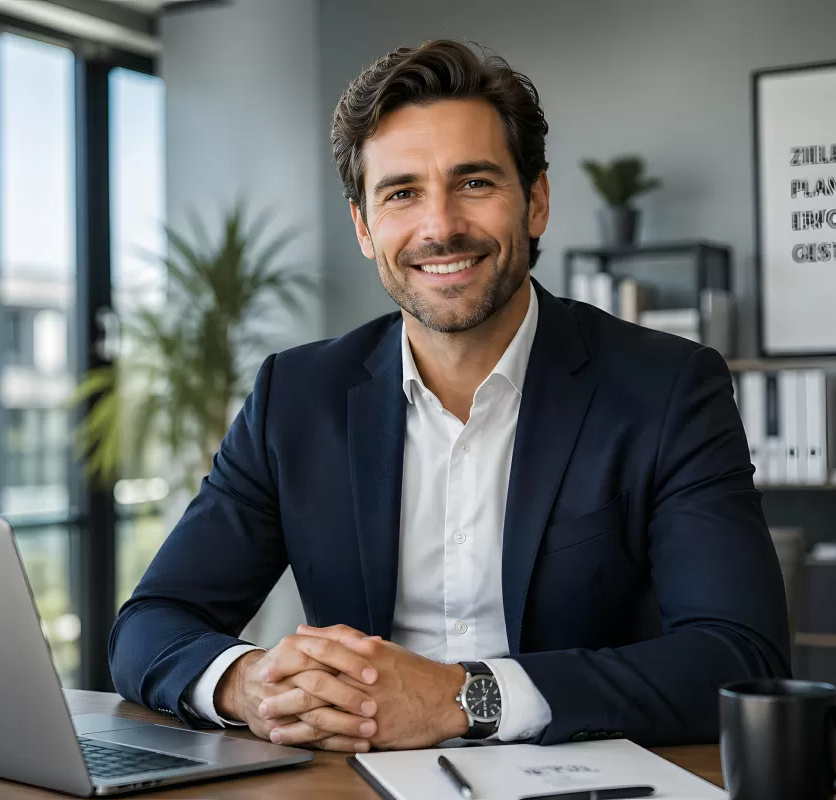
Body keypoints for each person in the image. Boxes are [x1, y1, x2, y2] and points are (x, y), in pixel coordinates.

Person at [109, 39, 790, 754]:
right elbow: (152, 623)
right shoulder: (295, 397)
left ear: (536, 202)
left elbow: (740, 658)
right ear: (365, 228)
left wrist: (467, 697)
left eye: (474, 183)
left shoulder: (668, 389)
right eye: (402, 192)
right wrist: (249, 682)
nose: (439, 227)